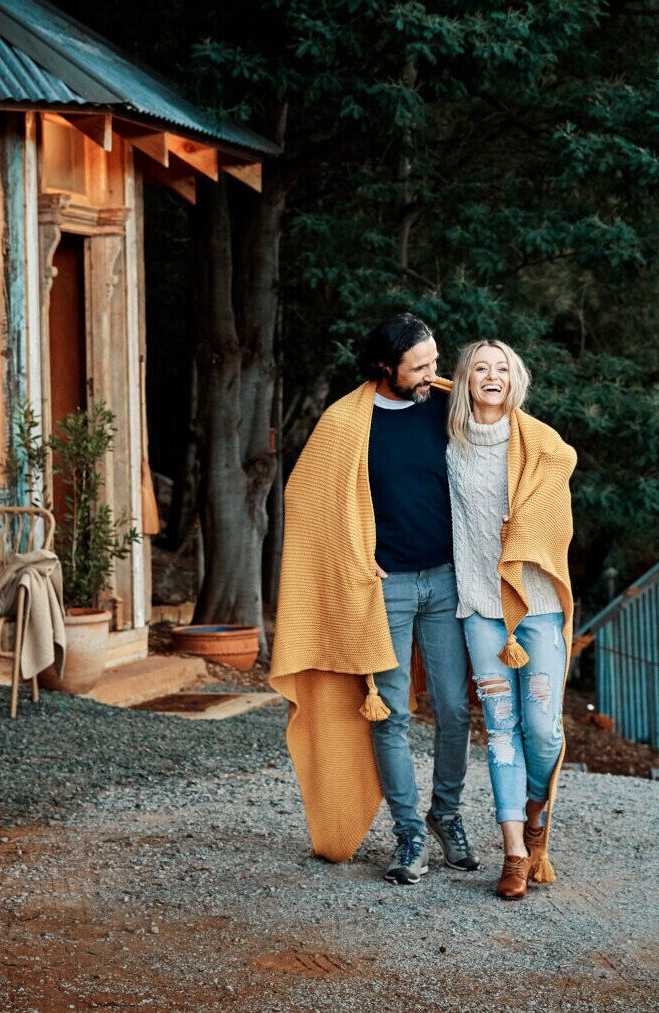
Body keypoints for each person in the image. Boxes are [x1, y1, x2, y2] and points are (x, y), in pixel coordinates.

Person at [266, 312, 478, 885]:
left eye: (436, 361)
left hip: (447, 580)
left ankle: (446, 814)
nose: (434, 373)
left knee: (455, 708)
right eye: (420, 366)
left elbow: (511, 449)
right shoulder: (346, 423)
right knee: (391, 714)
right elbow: (307, 496)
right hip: (386, 589)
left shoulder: (445, 405)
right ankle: (409, 833)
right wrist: (355, 558)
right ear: (386, 367)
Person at [444, 339, 577, 900]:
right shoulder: (448, 445)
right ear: (465, 380)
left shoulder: (540, 442)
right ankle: (515, 853)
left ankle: (536, 812)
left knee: (542, 729)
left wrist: (521, 527)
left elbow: (558, 498)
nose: (491, 376)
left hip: (538, 606)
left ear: (515, 380)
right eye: (480, 368)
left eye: (502, 368)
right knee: (500, 731)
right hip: (481, 607)